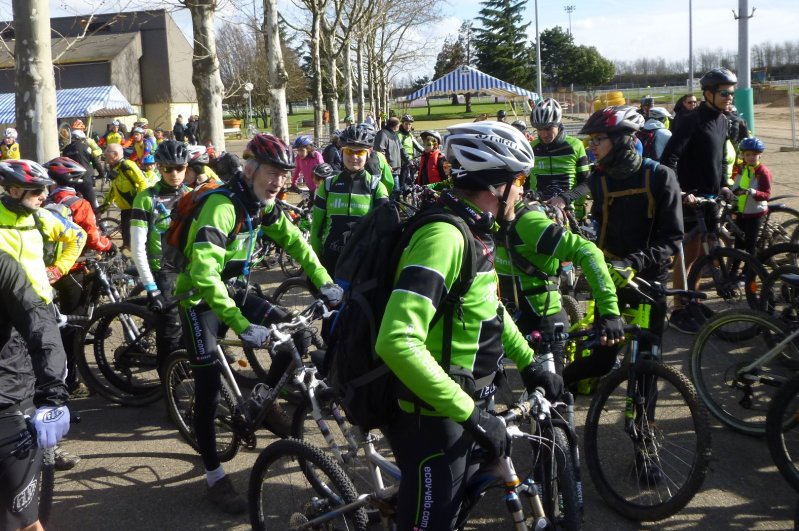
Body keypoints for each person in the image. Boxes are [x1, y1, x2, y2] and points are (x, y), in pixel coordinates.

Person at [374, 121, 564, 530]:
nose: (523, 191)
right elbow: (397, 340)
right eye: (520, 181)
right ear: (496, 184)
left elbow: (489, 309)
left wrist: (530, 363)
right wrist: (471, 416)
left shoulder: (476, 230)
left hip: (466, 401)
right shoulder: (444, 237)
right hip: (431, 415)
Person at [172, 133, 341, 513]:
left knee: (295, 336)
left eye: (284, 173)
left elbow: (297, 243)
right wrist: (241, 324)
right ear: (249, 170)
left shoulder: (263, 205)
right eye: (272, 172)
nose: (280, 181)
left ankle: (264, 400)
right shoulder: (222, 206)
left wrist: (325, 282)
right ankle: (214, 477)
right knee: (209, 387)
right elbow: (203, 274)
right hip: (201, 297)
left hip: (232, 289)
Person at [563, 105, 682, 353]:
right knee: (601, 357)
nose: (591, 146)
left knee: (648, 356)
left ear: (621, 140)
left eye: (598, 139)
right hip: (611, 279)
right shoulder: (599, 179)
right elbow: (600, 224)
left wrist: (634, 262)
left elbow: (672, 238)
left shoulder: (660, 176)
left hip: (648, 281)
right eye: (590, 140)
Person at [0, 159, 86, 473]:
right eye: (36, 190)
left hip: (41, 309)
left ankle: (50, 449)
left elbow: (76, 237)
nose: (43, 195)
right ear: (12, 190)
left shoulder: (41, 217)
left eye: (45, 189)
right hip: (8, 318)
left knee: (51, 378)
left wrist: (57, 269)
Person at [495, 194, 623, 384]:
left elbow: (588, 252)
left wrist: (610, 312)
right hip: (504, 318)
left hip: (541, 319)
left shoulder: (528, 222)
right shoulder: (485, 219)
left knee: (552, 402)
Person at [661, 67, 737, 333]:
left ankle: (692, 299)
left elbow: (719, 159)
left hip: (712, 198)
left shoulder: (723, 120)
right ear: (708, 93)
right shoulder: (690, 120)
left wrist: (726, 184)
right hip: (691, 199)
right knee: (689, 254)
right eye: (724, 93)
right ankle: (679, 307)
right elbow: (668, 160)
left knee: (706, 250)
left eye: (731, 92)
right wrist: (681, 191)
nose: (729, 97)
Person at [0, 251, 70, 531]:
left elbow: (38, 322)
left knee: (23, 524)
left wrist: (53, 393)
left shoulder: (2, 265)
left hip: (7, 406)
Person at [43, 157, 116, 401]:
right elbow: (93, 239)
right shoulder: (80, 204)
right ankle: (71, 381)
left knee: (61, 318)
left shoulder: (46, 201)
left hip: (49, 269)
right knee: (73, 327)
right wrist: (110, 244)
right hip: (72, 268)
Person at [130, 140, 191, 372]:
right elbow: (137, 247)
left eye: (180, 168)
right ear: (158, 167)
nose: (174, 174)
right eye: (167, 168)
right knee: (171, 328)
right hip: (161, 270)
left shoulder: (191, 194)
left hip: (187, 267)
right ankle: (168, 383)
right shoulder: (146, 198)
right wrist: (151, 287)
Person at [311, 124, 390, 273]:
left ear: (369, 153)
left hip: (362, 263)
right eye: (349, 151)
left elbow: (384, 233)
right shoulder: (327, 186)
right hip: (330, 260)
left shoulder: (377, 188)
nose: (354, 157)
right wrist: (315, 264)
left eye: (360, 152)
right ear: (341, 152)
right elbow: (316, 228)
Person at [528, 98, 590, 218]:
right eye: (539, 129)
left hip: (570, 212)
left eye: (548, 128)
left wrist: (565, 198)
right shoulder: (531, 148)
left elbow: (587, 183)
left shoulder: (575, 145)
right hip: (540, 210)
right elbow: (524, 182)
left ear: (558, 123)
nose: (544, 134)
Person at [719, 137, 772, 258]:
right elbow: (736, 185)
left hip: (755, 213)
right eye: (747, 155)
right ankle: (733, 272)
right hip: (741, 212)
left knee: (750, 246)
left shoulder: (762, 172)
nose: (751, 157)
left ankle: (750, 274)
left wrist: (751, 192)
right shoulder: (742, 168)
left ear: (760, 155)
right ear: (742, 155)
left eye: (754, 154)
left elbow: (766, 194)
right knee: (738, 244)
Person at [100, 143, 149, 250]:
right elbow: (113, 190)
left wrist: (139, 204)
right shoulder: (115, 168)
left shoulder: (127, 165)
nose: (104, 153)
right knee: (127, 238)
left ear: (116, 154)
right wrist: (102, 207)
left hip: (134, 208)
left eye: (107, 151)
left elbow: (143, 183)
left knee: (135, 239)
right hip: (125, 209)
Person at [61, 130, 105, 213]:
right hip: (86, 178)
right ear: (81, 139)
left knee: (72, 203)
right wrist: (101, 174)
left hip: (72, 180)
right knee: (93, 203)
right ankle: (101, 222)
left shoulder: (66, 150)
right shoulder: (85, 147)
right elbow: (96, 162)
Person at [373, 116, 408, 192]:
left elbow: (401, 149)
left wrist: (408, 160)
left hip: (396, 169)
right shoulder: (382, 134)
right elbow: (379, 152)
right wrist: (387, 165)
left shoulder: (394, 135)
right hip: (387, 170)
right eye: (398, 126)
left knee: (396, 192)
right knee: (393, 192)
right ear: (396, 126)